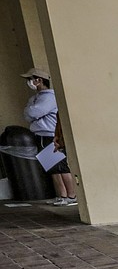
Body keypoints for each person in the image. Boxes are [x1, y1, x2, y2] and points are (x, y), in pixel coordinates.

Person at [20, 68, 77, 206]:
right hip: (39, 135)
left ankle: (71, 196)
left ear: (39, 80)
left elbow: (33, 112)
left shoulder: (49, 97)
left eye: (30, 79)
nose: (29, 82)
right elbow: (27, 113)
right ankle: (61, 195)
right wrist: (30, 111)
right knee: (51, 167)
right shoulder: (35, 98)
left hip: (50, 135)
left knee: (60, 166)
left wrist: (31, 111)